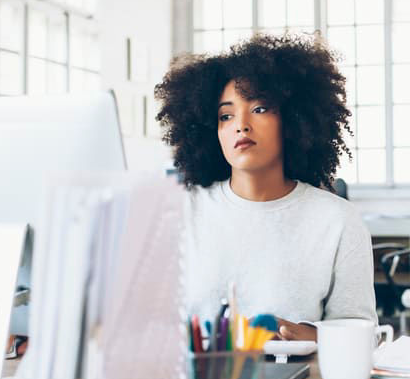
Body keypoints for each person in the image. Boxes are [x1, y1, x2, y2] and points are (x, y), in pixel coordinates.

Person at [154, 33, 376, 341]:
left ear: (294, 119)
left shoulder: (338, 220)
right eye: (226, 115)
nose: (241, 125)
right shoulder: (180, 212)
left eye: (259, 109)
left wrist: (310, 335)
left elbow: (361, 329)